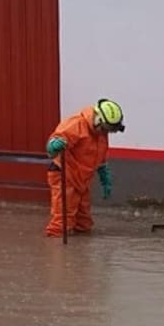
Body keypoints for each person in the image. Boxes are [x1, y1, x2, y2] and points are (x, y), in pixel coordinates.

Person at [44, 98, 125, 237]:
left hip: (82, 179)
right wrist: (53, 146)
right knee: (62, 221)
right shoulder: (76, 124)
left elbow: (99, 153)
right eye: (107, 129)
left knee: (83, 222)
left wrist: (104, 174)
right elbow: (54, 143)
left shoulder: (101, 133)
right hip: (65, 174)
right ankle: (57, 253)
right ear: (99, 120)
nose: (108, 133)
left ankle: (79, 251)